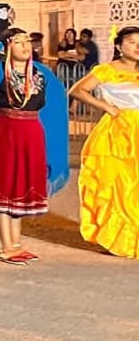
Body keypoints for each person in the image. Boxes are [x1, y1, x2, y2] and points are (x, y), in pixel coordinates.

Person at [0, 27, 69, 263]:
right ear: (5, 47)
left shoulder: (42, 74)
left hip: (32, 134)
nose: (25, 46)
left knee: (21, 186)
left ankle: (16, 244)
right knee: (3, 187)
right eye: (18, 42)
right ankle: (7, 247)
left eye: (27, 41)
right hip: (4, 135)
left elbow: (55, 107)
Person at [71, 26, 139, 258]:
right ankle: (115, 236)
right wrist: (106, 107)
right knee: (116, 183)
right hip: (116, 132)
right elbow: (78, 90)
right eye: (131, 42)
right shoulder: (106, 70)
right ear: (119, 45)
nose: (137, 47)